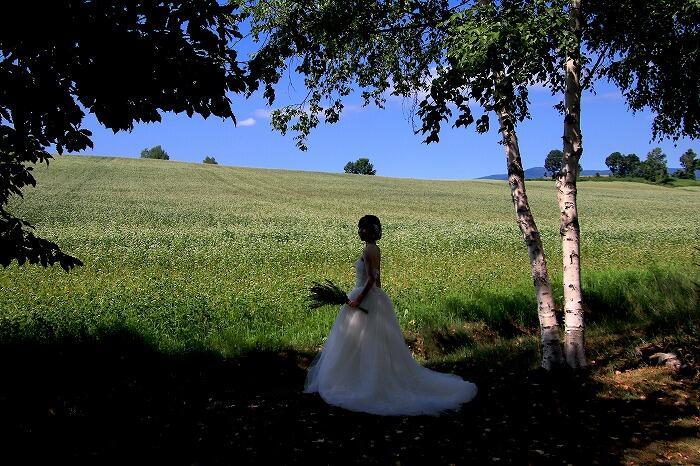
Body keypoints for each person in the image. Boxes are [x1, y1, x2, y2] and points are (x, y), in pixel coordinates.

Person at [304, 215, 477, 415]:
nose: (360, 231)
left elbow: (370, 280)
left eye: (363, 228)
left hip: (364, 296)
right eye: (359, 228)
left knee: (359, 342)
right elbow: (378, 280)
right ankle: (370, 377)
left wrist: (358, 300)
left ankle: (361, 382)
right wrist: (378, 298)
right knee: (371, 344)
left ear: (371, 230)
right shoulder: (375, 248)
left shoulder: (368, 249)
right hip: (375, 298)